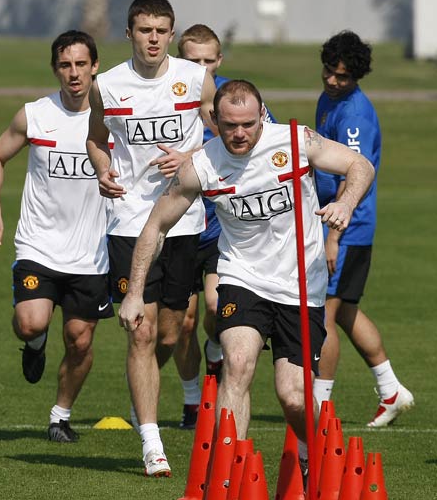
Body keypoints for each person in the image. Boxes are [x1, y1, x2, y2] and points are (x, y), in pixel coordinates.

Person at [118, 79, 375, 473]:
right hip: (242, 276)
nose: (239, 134)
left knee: (293, 396)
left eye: (248, 124)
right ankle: (226, 481)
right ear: (214, 120)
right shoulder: (202, 166)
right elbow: (155, 226)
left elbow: (360, 165)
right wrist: (135, 292)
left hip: (301, 284)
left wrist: (345, 203)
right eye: (230, 125)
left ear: (261, 117)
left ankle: (314, 452)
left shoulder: (295, 140)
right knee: (236, 364)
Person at [86, 0, 216, 477]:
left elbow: (223, 136)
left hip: (184, 219)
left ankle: (158, 400)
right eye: (145, 30)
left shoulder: (194, 78)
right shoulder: (107, 85)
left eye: (161, 31)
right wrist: (101, 168)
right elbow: (96, 138)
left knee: (172, 329)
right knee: (140, 330)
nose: (153, 39)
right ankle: (151, 442)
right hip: (128, 219)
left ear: (172, 33)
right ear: (129, 33)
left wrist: (190, 157)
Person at [0, 30, 112, 443]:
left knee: (79, 339)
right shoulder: (34, 115)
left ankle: (60, 416)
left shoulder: (115, 119)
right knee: (29, 322)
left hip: (92, 252)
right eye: (65, 65)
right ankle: (35, 343)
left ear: (95, 66)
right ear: (55, 69)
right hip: (38, 244)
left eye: (81, 64)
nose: (74, 73)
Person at [173, 24, 277, 429]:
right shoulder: (169, 103)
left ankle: (216, 347)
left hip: (223, 231)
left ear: (219, 60)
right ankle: (191, 399)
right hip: (182, 228)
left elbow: (270, 146)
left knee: (216, 309)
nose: (202, 68)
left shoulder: (237, 108)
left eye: (208, 60)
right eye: (192, 60)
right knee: (182, 324)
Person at [312, 31, 414, 428]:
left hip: (346, 229)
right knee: (346, 312)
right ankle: (391, 391)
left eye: (342, 76)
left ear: (356, 77)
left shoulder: (354, 114)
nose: (332, 80)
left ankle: (319, 408)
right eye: (329, 71)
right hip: (336, 224)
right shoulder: (329, 99)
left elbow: (352, 177)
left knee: (323, 315)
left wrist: (333, 237)